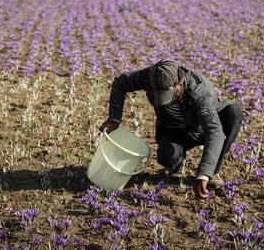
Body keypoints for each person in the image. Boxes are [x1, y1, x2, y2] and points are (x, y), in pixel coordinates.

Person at [99, 59, 243, 199]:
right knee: (167, 156)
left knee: (233, 113)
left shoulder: (199, 90)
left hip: (202, 128)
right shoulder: (148, 76)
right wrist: (114, 119)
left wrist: (204, 173)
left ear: (180, 83)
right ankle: (177, 164)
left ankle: (213, 172)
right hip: (175, 129)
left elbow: (214, 130)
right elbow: (120, 83)